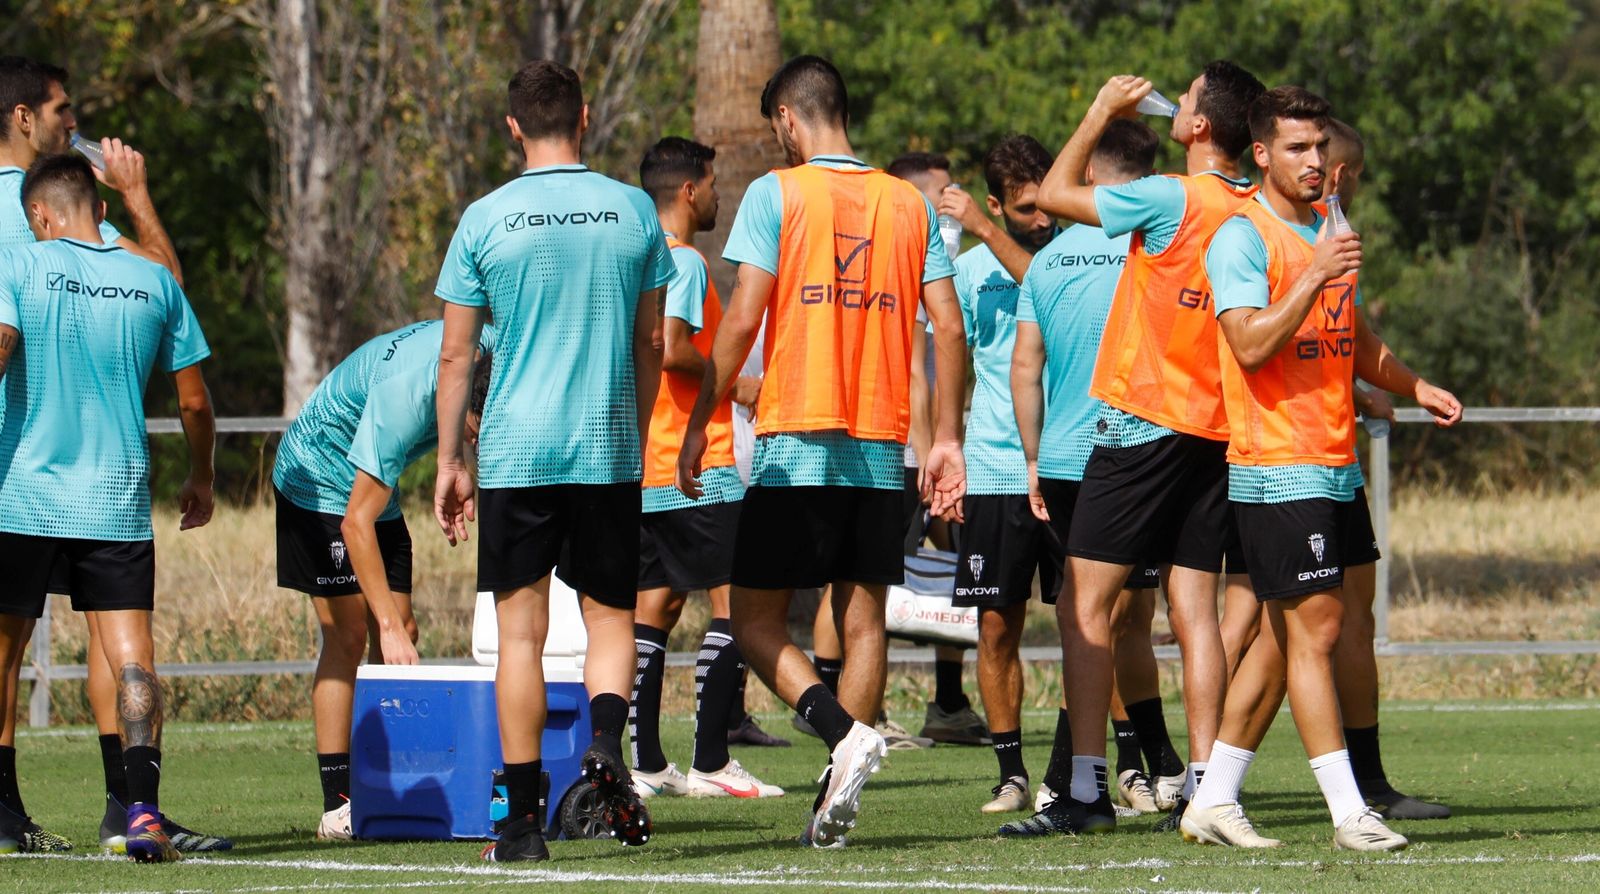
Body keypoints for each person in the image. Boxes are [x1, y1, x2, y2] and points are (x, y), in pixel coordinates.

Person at [676, 55, 967, 848]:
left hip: (797, 436)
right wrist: (947, 437)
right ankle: (843, 793)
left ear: (788, 120)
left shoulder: (779, 191)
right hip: (880, 443)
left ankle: (843, 734)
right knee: (863, 617)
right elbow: (948, 323)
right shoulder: (908, 203)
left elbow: (740, 320)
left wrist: (703, 413)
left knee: (756, 622)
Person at [1180, 86, 1462, 852]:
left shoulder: (1324, 229)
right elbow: (1247, 344)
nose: (1316, 161)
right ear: (1263, 153)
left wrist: (1411, 383)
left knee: (1283, 644)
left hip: (1334, 463)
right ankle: (1350, 814)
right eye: (1298, 149)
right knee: (1322, 629)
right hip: (1278, 465)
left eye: (1320, 147)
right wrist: (1313, 272)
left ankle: (1214, 799)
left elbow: (1354, 333)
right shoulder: (1243, 238)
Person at [1002, 62, 1267, 837]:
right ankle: (1205, 789)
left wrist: (1096, 111)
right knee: (1195, 611)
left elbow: (1050, 196)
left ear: (1199, 128)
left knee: (1084, 603)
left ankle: (1083, 791)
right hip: (1214, 432)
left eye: (1184, 101)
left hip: (1145, 422)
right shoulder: (1251, 208)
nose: (1174, 107)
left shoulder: (1169, 196)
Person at [433, 60, 672, 863]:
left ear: (513, 128)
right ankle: (606, 744)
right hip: (606, 447)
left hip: (517, 451)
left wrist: (448, 459)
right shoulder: (634, 209)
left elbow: (456, 356)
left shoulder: (485, 218)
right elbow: (652, 344)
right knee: (611, 617)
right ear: (587, 116)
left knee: (522, 637)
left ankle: (522, 826)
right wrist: (633, 437)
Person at [0, 54, 228, 856]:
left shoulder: (21, 259)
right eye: (64, 109)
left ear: (40, 216)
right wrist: (202, 473)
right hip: (118, 492)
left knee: (3, 646)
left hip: (20, 484)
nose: (77, 120)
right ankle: (138, 808)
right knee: (131, 652)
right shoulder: (146, 276)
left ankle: (6, 812)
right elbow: (194, 396)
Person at [1007, 119, 1187, 819]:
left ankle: (1090, 776)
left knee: (1083, 618)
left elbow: (1027, 367)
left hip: (1063, 459)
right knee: (1130, 621)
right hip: (1143, 450)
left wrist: (1030, 455)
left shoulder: (1049, 257)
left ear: (1087, 177)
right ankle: (1158, 767)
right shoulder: (1155, 242)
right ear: (1145, 179)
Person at [273, 318, 496, 838]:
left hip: (374, 482)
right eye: (475, 433)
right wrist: (386, 626)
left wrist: (457, 460)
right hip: (319, 479)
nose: (477, 444)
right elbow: (355, 523)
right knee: (353, 634)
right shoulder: (405, 402)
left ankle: (384, 780)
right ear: (462, 406)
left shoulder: (489, 350)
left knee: (405, 630)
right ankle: (339, 805)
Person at [627, 136, 782, 800]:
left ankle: (646, 759)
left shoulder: (637, 261)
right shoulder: (684, 261)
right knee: (736, 605)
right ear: (689, 191)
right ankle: (712, 759)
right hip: (701, 461)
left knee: (655, 607)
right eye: (715, 184)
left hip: (647, 466)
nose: (721, 195)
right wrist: (741, 388)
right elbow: (673, 351)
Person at [933, 134, 1062, 812]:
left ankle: (1107, 766)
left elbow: (1040, 287)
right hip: (993, 470)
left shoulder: (1072, 256)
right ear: (995, 204)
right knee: (995, 627)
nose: (1042, 219)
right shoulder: (967, 269)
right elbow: (950, 364)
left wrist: (984, 228)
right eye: (1024, 209)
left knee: (1093, 624)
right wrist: (945, 451)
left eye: (1046, 203)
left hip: (1070, 466)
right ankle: (1012, 774)